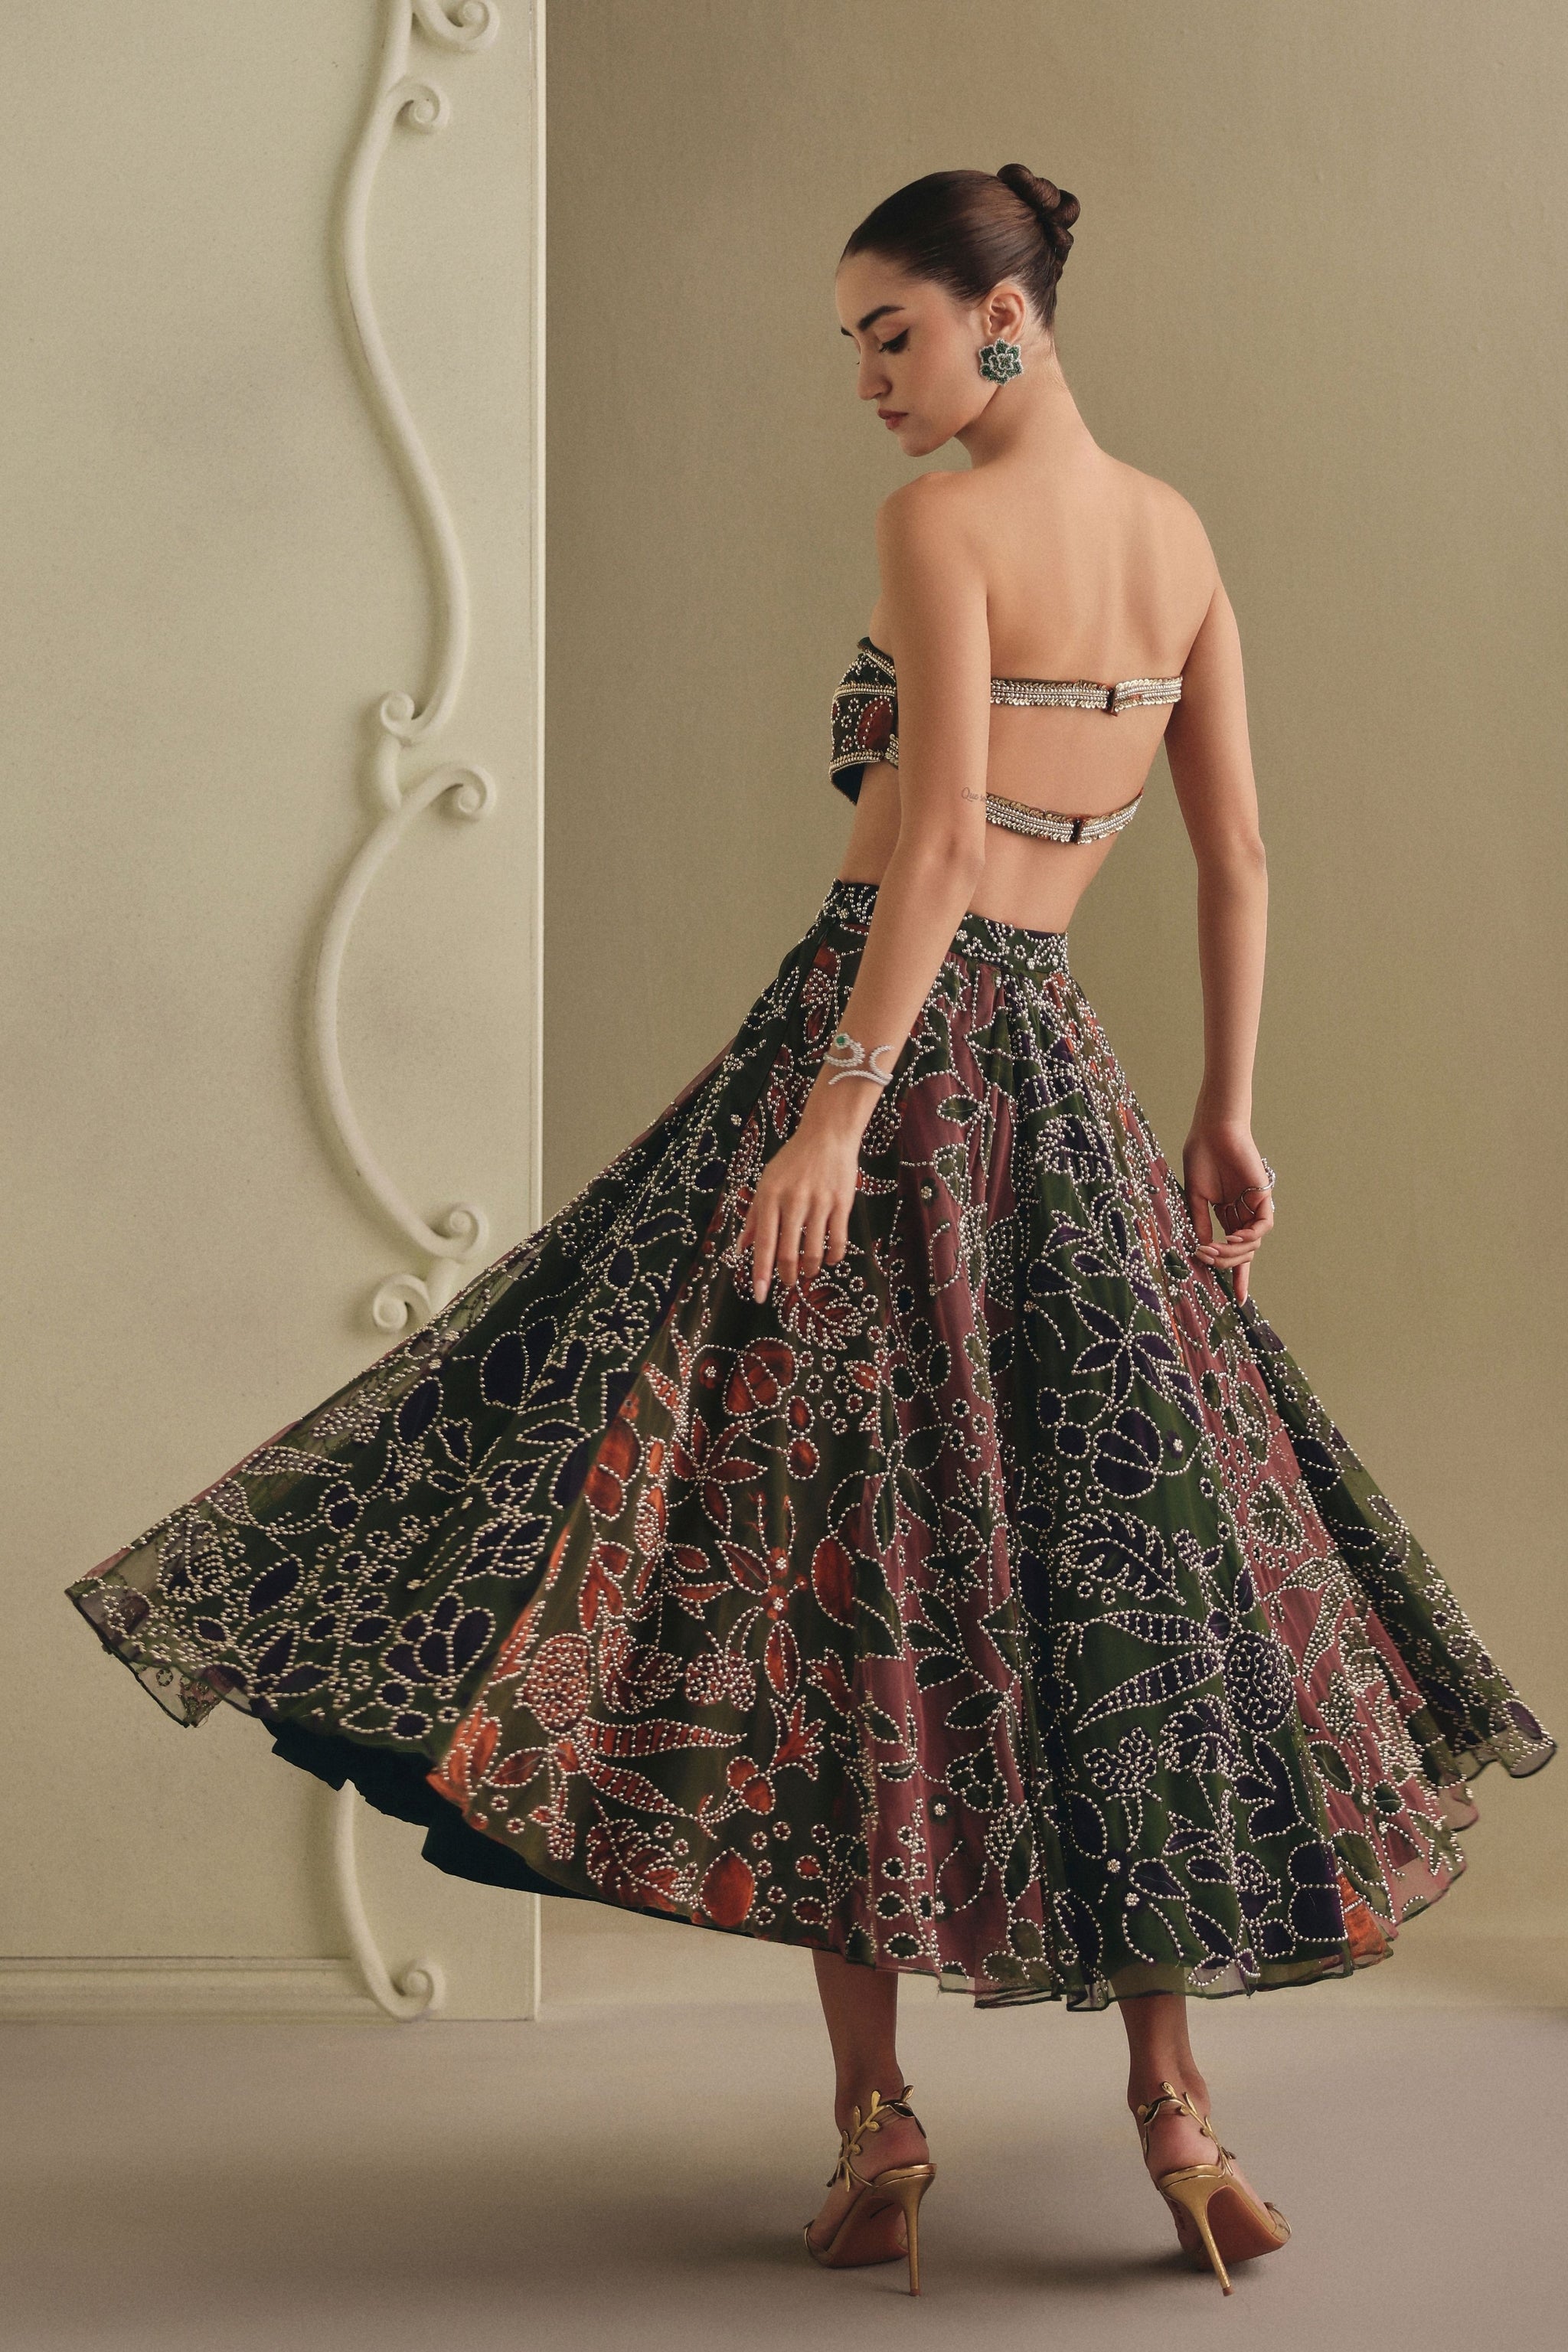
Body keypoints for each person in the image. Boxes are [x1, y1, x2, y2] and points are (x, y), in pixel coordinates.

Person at [66, 165, 1556, 2300]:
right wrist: (1227, 1115)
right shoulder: (1176, 536)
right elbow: (1237, 855)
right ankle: (1178, 2118)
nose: (868, 375)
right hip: (1063, 1079)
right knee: (1115, 1566)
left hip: (875, 1056)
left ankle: (880, 2131)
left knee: (815, 1572)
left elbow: (934, 839)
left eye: (893, 331)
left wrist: (835, 1118)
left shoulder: (944, 525)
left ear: (1005, 315)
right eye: (855, 342)